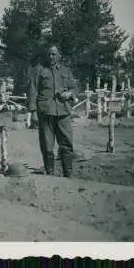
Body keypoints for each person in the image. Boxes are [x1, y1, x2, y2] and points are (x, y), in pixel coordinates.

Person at [27, 45, 78, 177]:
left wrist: (70, 94)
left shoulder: (66, 71)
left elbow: (74, 87)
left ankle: (68, 173)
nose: (51, 57)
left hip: (63, 112)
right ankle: (50, 174)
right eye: (49, 54)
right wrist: (33, 112)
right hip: (46, 112)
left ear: (59, 56)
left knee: (66, 143)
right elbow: (33, 90)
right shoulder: (39, 70)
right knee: (47, 145)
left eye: (54, 54)